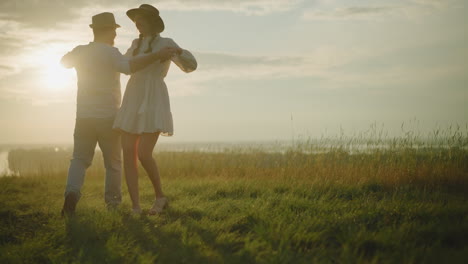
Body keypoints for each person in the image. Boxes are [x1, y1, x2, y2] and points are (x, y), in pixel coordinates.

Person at [61, 12, 179, 217]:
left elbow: (64, 62)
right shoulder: (111, 53)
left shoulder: (81, 51)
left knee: (79, 159)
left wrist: (78, 54)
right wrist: (156, 56)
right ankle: (113, 203)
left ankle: (72, 193)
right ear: (108, 31)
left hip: (83, 117)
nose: (115, 36)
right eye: (114, 31)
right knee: (113, 162)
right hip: (108, 116)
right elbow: (129, 67)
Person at [113, 4, 197, 215]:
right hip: (133, 96)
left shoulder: (166, 42)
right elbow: (126, 65)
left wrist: (179, 51)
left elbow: (190, 66)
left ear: (152, 22)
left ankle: (160, 197)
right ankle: (135, 206)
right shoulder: (134, 44)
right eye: (135, 20)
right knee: (128, 153)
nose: (137, 23)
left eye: (140, 19)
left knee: (143, 153)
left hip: (154, 97)